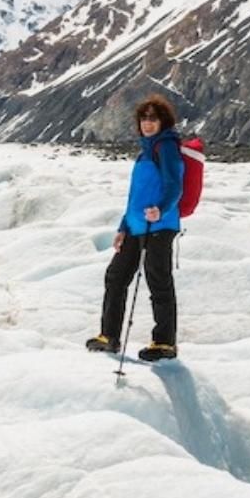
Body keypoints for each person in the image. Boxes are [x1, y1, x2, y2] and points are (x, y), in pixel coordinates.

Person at [86, 94, 184, 361]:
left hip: (160, 225)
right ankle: (109, 336)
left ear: (164, 121)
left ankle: (164, 343)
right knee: (116, 276)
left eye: (153, 118)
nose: (148, 122)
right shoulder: (145, 151)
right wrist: (123, 227)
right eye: (144, 118)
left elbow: (175, 184)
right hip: (137, 225)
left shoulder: (166, 147)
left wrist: (161, 209)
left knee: (158, 280)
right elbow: (136, 196)